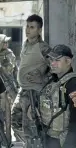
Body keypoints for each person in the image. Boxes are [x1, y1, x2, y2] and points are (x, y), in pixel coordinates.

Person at [11, 14, 51, 145]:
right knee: (15, 120)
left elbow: (56, 69)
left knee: (31, 129)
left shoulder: (43, 47)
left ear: (39, 30)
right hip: (23, 90)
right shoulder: (26, 44)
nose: (28, 30)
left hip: (34, 93)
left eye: (32, 27)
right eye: (27, 26)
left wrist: (42, 78)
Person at [39, 44, 76, 148]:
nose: (52, 63)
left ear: (68, 62)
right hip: (48, 139)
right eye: (51, 60)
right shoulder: (53, 81)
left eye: (57, 60)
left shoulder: (75, 85)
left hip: (62, 142)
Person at [0, 33, 19, 101]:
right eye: (4, 42)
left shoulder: (9, 53)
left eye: (7, 42)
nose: (6, 44)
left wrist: (17, 83)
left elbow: (15, 69)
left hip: (9, 83)